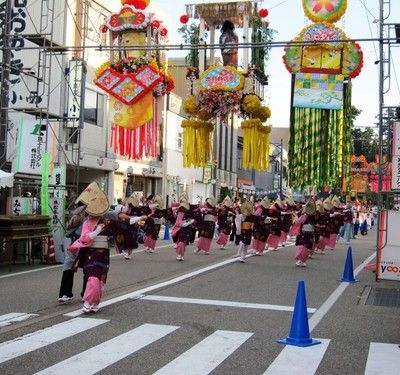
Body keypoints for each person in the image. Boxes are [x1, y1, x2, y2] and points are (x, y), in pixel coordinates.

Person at [69, 181, 146, 313]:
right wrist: (97, 231)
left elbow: (123, 222)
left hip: (103, 254)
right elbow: (84, 238)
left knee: (101, 279)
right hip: (90, 253)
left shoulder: (107, 221)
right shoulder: (87, 222)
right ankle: (87, 301)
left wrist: (138, 217)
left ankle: (95, 302)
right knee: (92, 278)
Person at [58, 203, 87, 302]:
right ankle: (66, 293)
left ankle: (87, 294)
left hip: (92, 242)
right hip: (77, 241)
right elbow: (69, 226)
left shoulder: (100, 210)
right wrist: (76, 220)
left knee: (89, 267)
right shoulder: (80, 210)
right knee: (68, 264)